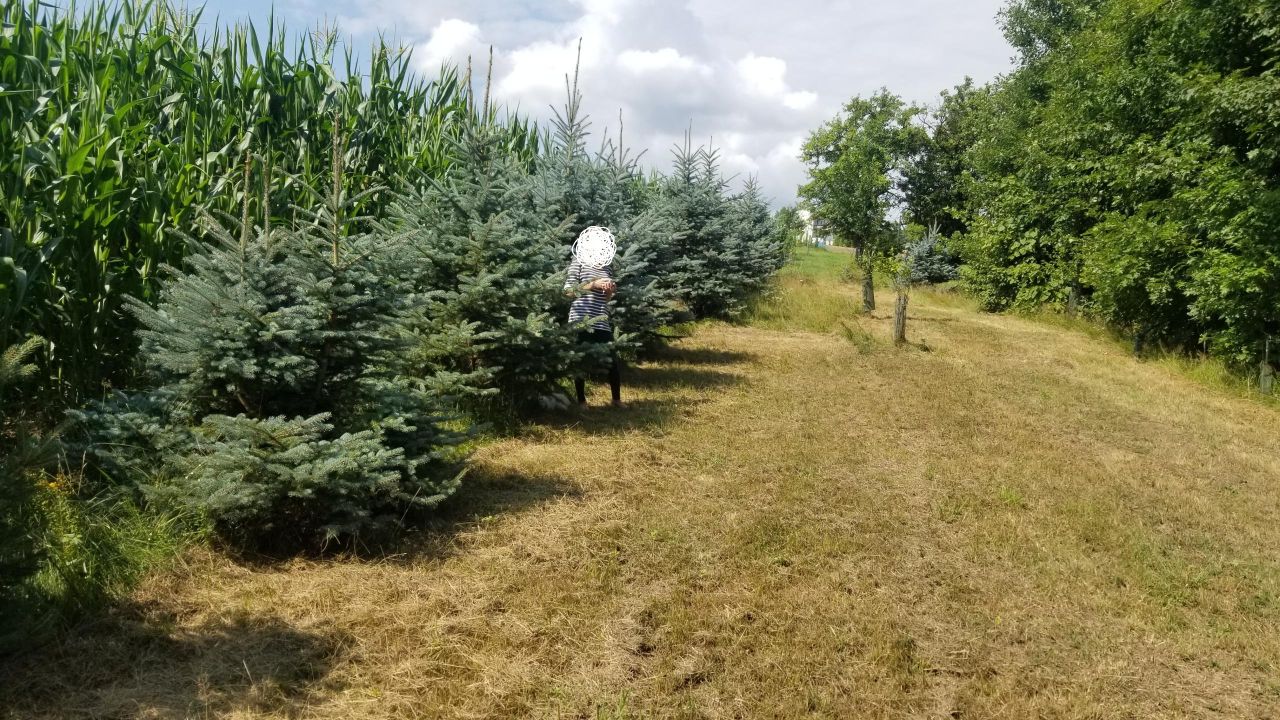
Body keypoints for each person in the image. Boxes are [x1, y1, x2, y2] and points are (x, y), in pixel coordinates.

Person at [564, 230, 622, 407]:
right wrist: (593, 284)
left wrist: (610, 291)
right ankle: (582, 401)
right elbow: (568, 291)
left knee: (612, 359)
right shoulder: (578, 262)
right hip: (580, 317)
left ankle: (616, 400)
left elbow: (606, 299)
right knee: (580, 360)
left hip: (601, 318)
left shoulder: (606, 266)